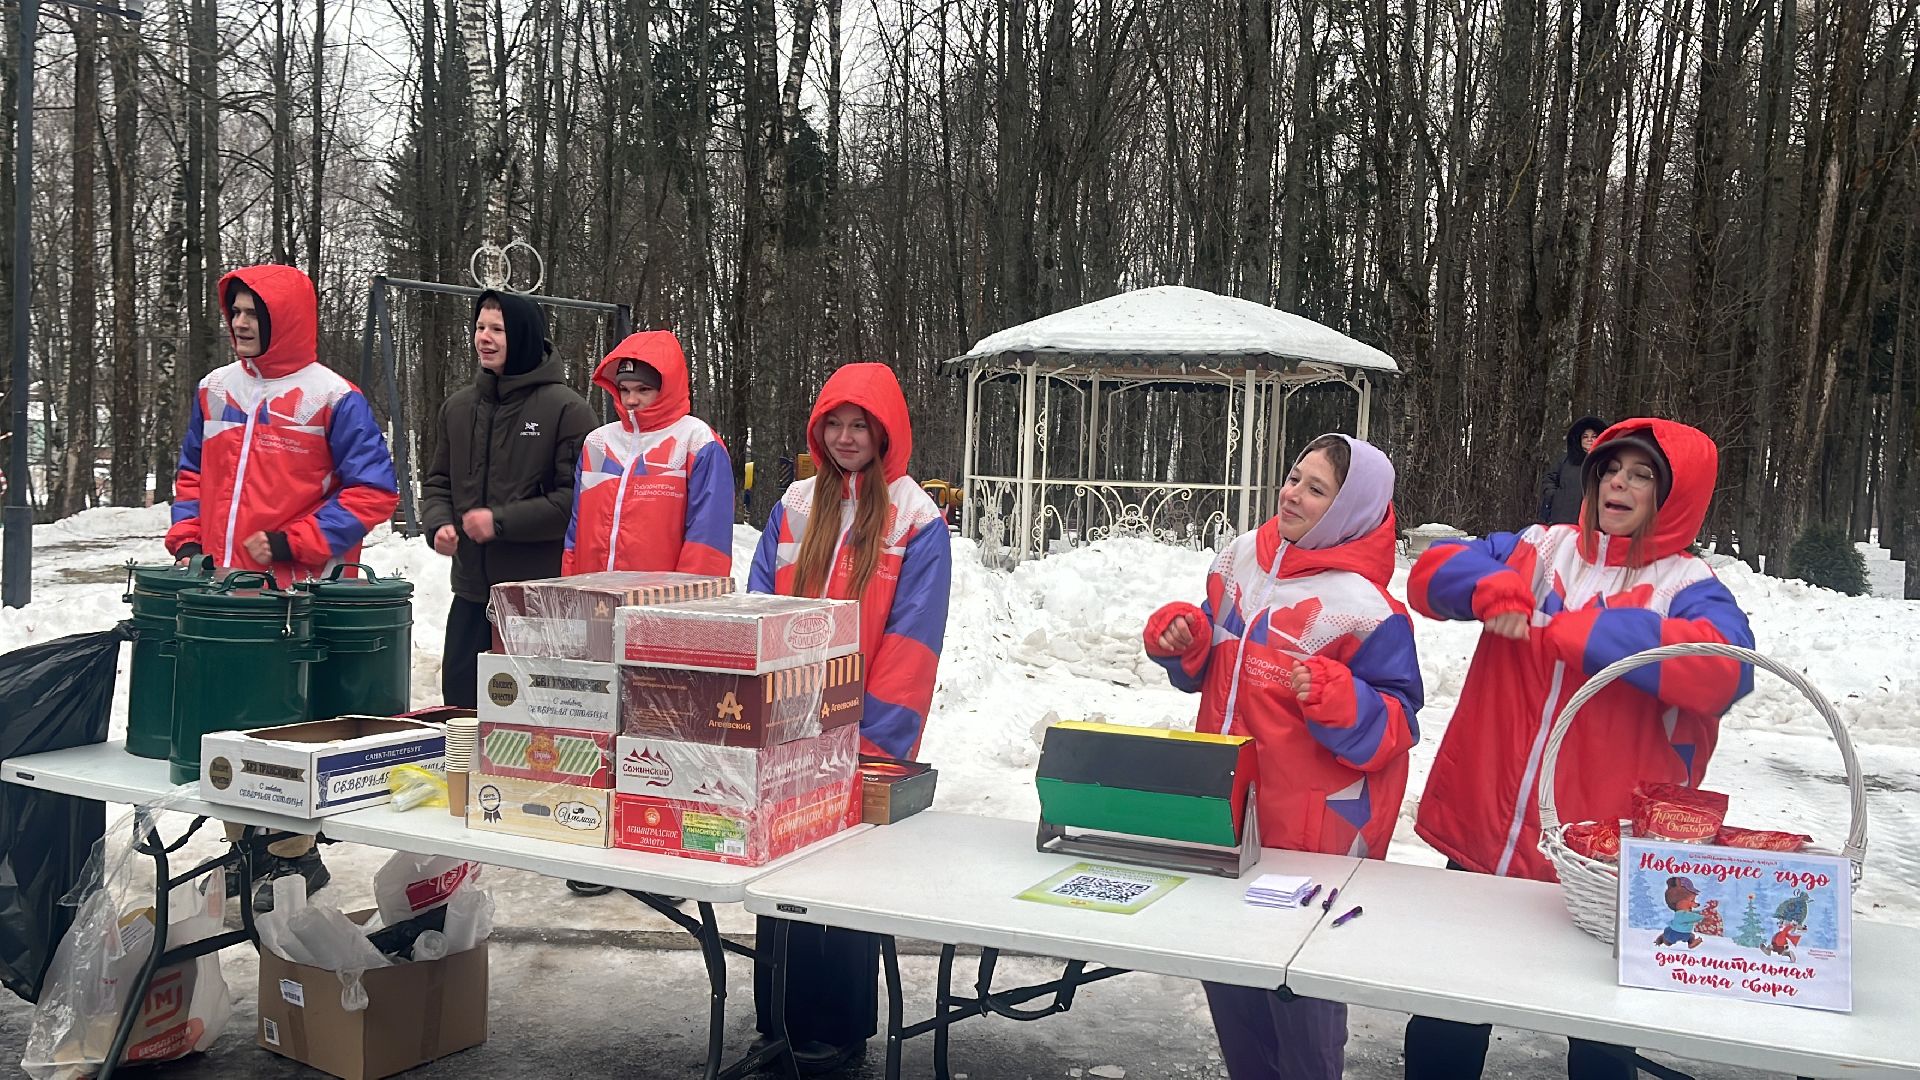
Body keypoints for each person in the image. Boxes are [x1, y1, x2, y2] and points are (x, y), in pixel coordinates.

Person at [1404, 418, 1756, 1080]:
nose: (1619, 483)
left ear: (1673, 496)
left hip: (1600, 860)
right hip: (1488, 834)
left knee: (1598, 1041)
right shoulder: (1538, 547)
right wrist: (1489, 586)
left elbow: (1727, 672)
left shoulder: (1688, 584)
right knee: (1448, 1012)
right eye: (1610, 469)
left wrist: (1593, 633)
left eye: (1642, 474)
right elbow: (1429, 575)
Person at [1143, 434, 1422, 1080]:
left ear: (1351, 509)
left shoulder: (1368, 611)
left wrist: (1340, 700)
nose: (1292, 493)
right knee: (1229, 977)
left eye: (1316, 488)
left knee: (1302, 1003)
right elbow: (1211, 665)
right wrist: (1183, 642)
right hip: (1226, 815)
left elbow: (1398, 724)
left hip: (1313, 843)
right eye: (1294, 476)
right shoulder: (1239, 559)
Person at [166, 264, 399, 909]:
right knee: (229, 724)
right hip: (226, 591)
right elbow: (192, 473)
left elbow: (374, 490)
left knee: (291, 730)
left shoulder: (332, 397)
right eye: (235, 311)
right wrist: (188, 538)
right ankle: (245, 846)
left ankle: (295, 856)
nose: (239, 322)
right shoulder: (215, 391)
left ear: (284, 320)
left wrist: (295, 540)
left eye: (253, 312)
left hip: (304, 595)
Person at [747, 363, 952, 1073]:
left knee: (839, 890)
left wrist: (871, 748)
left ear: (884, 430)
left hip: (858, 741)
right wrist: (756, 718)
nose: (844, 438)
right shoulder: (795, 505)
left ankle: (837, 1033)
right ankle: (776, 1022)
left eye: (858, 424)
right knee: (778, 885)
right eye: (832, 424)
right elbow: (756, 612)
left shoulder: (917, 519)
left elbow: (912, 646)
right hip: (781, 733)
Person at [420, 290, 594, 708]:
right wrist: (438, 524)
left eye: (497, 329)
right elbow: (438, 482)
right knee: (459, 712)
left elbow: (575, 503)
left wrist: (500, 521)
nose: (484, 337)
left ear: (523, 337)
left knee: (530, 718)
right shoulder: (457, 408)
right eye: (480, 327)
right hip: (470, 593)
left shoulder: (567, 410)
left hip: (535, 599)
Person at [562, 331, 733, 577]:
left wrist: (685, 610)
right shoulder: (598, 442)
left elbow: (708, 540)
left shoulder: (696, 441)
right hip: (593, 597)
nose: (631, 400)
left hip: (661, 604)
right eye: (624, 389)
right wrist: (569, 592)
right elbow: (575, 534)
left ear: (666, 388)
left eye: (643, 389)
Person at [1540, 416, 1608, 525]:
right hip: (1563, 517)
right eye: (1585, 437)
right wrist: (1555, 496)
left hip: (1593, 520)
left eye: (1594, 436)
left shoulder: (1605, 462)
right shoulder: (1566, 460)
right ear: (1579, 440)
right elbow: (1549, 478)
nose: (1589, 439)